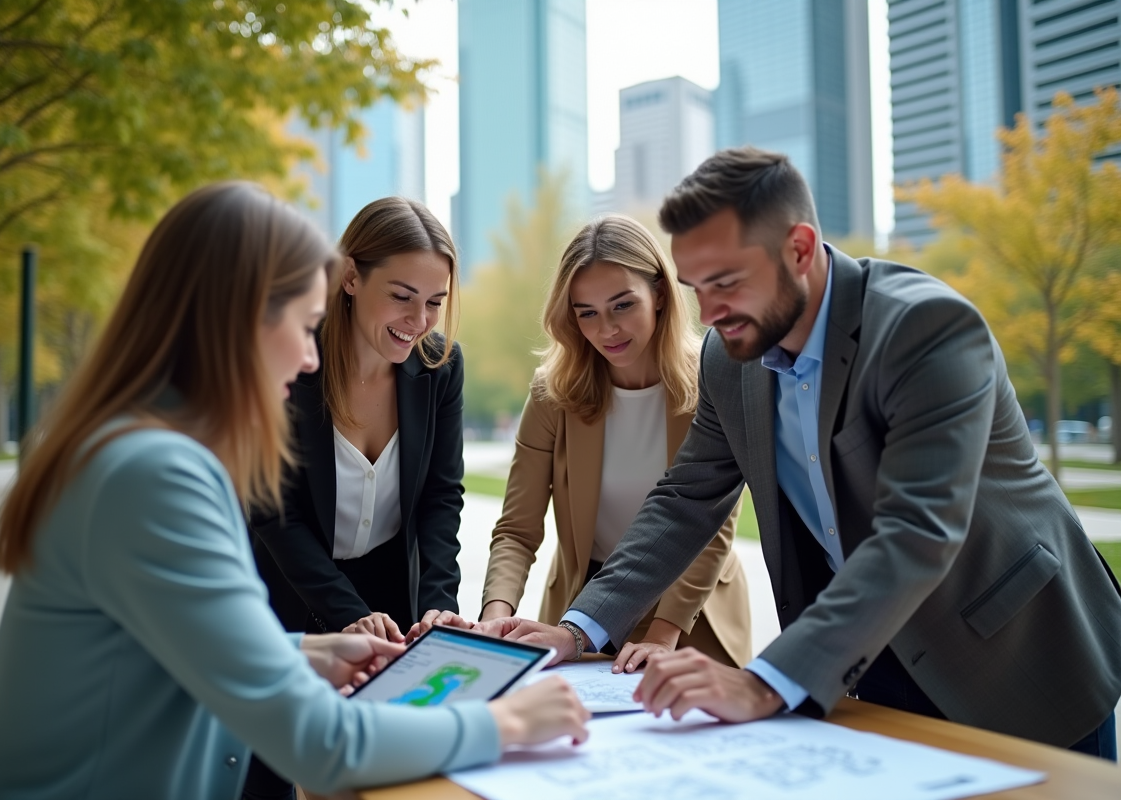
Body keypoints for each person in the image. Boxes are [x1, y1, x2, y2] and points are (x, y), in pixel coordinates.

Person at [480, 147, 1121, 760]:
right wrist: (578, 629)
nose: (709, 312)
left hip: (1016, 654)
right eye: (695, 286)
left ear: (800, 248)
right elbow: (684, 502)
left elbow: (916, 534)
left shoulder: (925, 330)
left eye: (726, 282)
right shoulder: (728, 359)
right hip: (869, 658)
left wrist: (763, 682)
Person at [0, 182, 589, 800]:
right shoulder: (157, 478)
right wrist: (506, 722)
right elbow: (317, 744)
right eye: (306, 323)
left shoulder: (138, 451)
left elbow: (170, 643)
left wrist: (305, 653)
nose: (312, 359)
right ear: (237, 321)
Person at [244, 197, 471, 798]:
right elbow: (274, 511)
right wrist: (346, 612)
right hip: (281, 589)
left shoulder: (440, 367)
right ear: (350, 276)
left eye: (434, 301)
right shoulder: (294, 357)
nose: (419, 320)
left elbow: (440, 500)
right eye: (401, 295)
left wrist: (437, 607)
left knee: (383, 777)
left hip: (387, 598)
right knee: (262, 774)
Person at [480, 214, 752, 674]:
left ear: (660, 293)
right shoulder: (552, 394)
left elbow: (711, 526)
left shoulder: (713, 379)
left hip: (691, 615)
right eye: (587, 313)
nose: (606, 329)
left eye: (622, 305)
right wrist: (496, 617)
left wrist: (663, 635)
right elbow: (517, 529)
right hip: (580, 609)